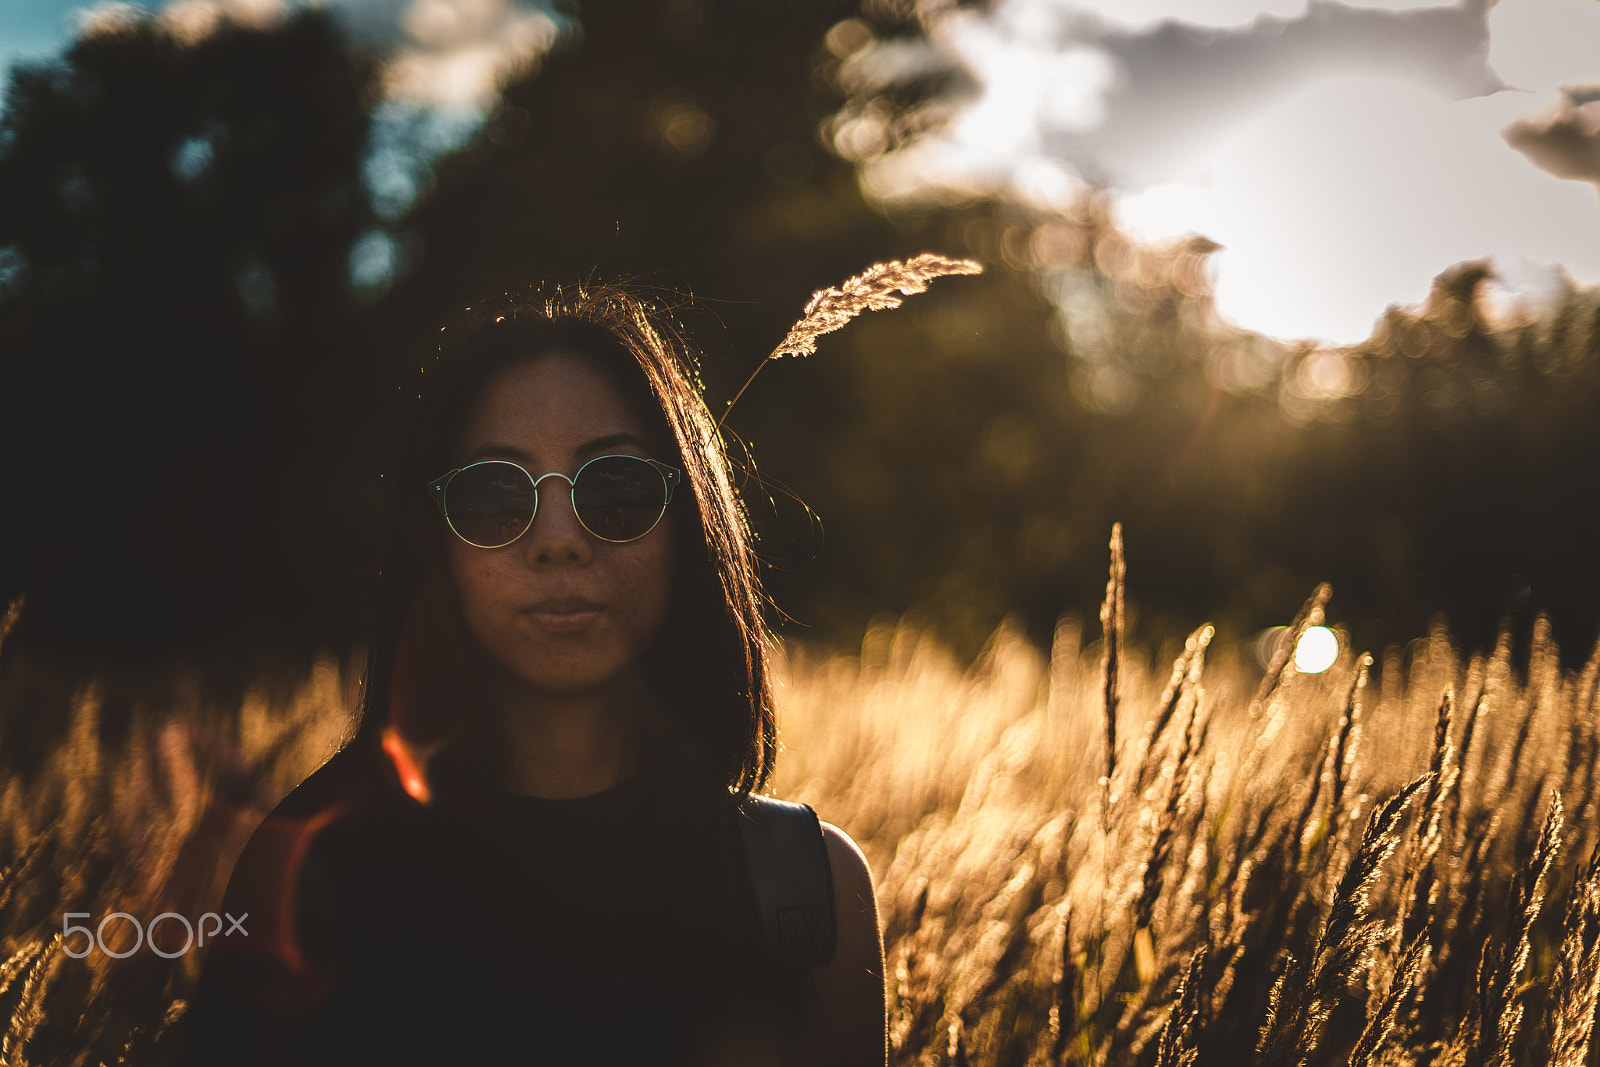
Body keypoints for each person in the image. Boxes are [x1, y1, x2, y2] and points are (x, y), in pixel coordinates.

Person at [173, 283, 887, 1066]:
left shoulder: (804, 892)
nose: (557, 540)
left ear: (690, 526)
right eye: (493, 496)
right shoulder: (310, 865)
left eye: (614, 489)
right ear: (434, 546)